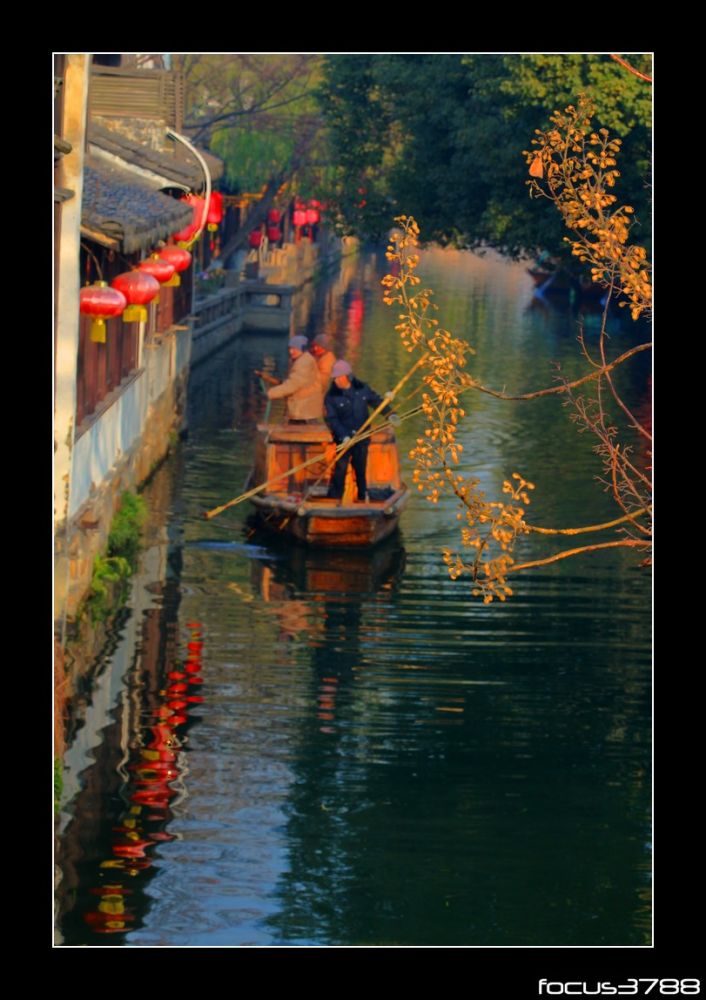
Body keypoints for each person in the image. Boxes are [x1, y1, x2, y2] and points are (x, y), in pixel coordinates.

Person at [324, 360, 393, 502]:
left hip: (362, 437)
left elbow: (377, 402)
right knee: (340, 468)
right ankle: (335, 498)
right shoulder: (331, 396)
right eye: (334, 378)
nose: (336, 380)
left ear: (347, 376)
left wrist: (390, 414)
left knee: (360, 468)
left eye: (338, 377)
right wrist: (343, 436)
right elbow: (332, 419)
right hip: (343, 439)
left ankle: (363, 496)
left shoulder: (362, 389)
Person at [267, 336, 324, 423]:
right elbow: (296, 382)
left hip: (303, 411)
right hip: (304, 410)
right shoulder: (302, 360)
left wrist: (270, 393)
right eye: (290, 348)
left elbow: (292, 385)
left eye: (294, 349)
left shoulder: (303, 363)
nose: (291, 351)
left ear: (302, 349)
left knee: (298, 429)